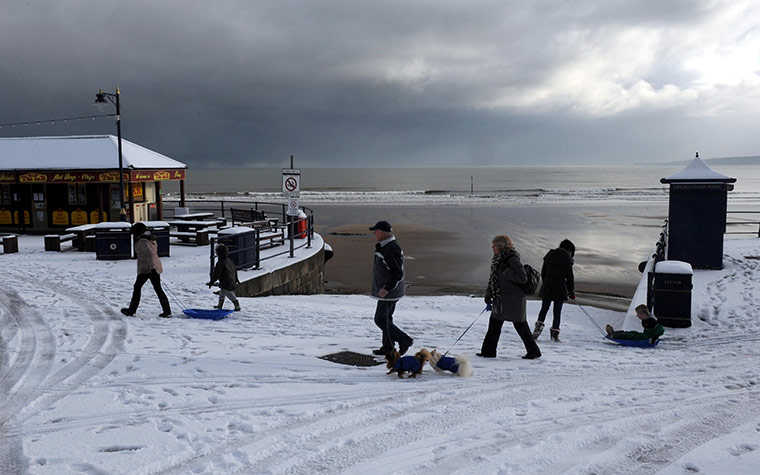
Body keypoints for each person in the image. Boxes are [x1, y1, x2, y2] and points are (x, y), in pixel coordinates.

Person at [478, 235, 542, 359]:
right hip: (501, 299)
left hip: (514, 300)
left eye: (494, 245)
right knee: (494, 325)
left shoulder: (512, 259)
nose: (492, 247)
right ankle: (488, 352)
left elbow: (523, 278)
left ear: (501, 246)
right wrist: (488, 294)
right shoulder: (497, 259)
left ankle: (534, 352)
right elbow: (493, 279)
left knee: (520, 326)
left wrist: (507, 271)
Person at [369, 220, 414, 356]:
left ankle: (404, 339)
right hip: (389, 291)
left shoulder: (390, 248)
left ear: (382, 233)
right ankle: (388, 347)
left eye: (375, 231)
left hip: (389, 292)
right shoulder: (386, 246)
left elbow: (397, 273)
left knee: (380, 319)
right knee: (386, 318)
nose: (374, 234)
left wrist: (386, 288)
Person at [121, 222, 172, 318]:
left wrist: (152, 268)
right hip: (151, 267)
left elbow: (150, 255)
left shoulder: (143, 241)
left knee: (138, 287)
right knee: (157, 289)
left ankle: (131, 310)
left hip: (148, 269)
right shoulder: (149, 238)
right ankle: (167, 311)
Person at [532, 239, 576, 343]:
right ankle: (554, 335)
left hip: (547, 285)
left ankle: (537, 331)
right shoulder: (567, 259)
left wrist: (546, 282)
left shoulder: (550, 255)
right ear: (569, 249)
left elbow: (544, 272)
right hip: (560, 287)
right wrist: (571, 291)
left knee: (544, 309)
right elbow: (570, 277)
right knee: (557, 312)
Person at [207, 243, 241, 311]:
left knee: (229, 293)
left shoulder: (220, 263)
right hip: (230, 279)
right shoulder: (229, 260)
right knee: (222, 292)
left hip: (226, 281)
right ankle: (220, 305)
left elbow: (216, 274)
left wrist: (212, 281)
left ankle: (236, 304)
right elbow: (234, 269)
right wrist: (236, 279)